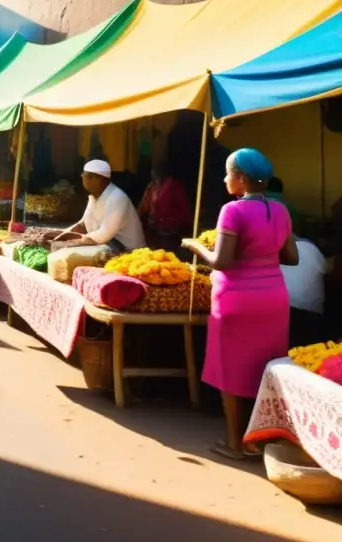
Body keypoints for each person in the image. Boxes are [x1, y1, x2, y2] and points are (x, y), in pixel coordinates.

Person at [182, 148, 298, 459]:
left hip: (237, 299)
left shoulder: (232, 211)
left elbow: (221, 261)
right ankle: (262, 439)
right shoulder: (281, 210)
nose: (224, 179)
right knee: (265, 368)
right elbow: (292, 257)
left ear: (241, 179)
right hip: (273, 298)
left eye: (227, 173)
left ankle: (236, 444)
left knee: (231, 369)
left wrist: (195, 246)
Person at [53, 160, 146, 253]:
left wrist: (70, 242)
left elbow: (104, 235)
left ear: (97, 179)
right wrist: (59, 234)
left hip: (128, 250)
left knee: (78, 251)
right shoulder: (94, 197)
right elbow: (84, 224)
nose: (81, 176)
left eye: (84, 175)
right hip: (111, 243)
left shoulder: (117, 197)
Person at [281, 238, 326, 349]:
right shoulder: (313, 250)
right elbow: (326, 272)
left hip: (284, 306)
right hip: (310, 313)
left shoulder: (281, 251)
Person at [137, 162, 192, 251]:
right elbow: (145, 205)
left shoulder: (173, 186)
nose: (153, 174)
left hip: (170, 228)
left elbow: (182, 208)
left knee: (168, 252)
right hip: (156, 228)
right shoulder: (153, 186)